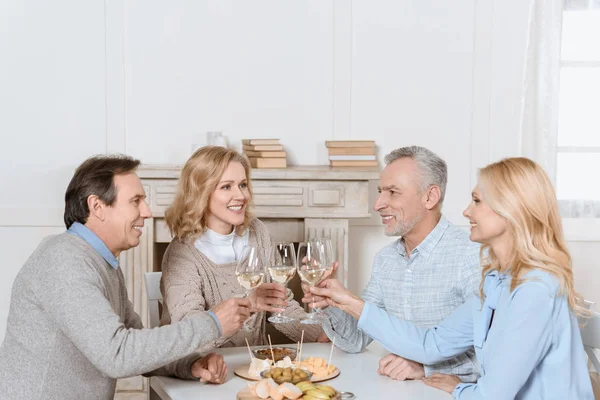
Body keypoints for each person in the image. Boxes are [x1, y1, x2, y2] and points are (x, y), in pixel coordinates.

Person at [307, 157, 594, 399]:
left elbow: (493, 395)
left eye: (477, 201)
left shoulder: (536, 288)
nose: (466, 211)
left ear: (511, 211)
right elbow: (433, 344)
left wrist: (460, 389)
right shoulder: (496, 280)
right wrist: (346, 301)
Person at [0, 155, 252, 400]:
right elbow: (119, 354)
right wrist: (213, 323)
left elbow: (137, 344)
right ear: (97, 206)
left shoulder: (99, 261)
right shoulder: (64, 260)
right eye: (136, 201)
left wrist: (191, 365)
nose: (147, 212)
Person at [303, 146, 481, 382]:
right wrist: (331, 301)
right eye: (380, 192)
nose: (377, 204)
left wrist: (426, 368)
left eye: (393, 192)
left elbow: (496, 354)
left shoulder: (471, 256)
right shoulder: (386, 260)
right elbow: (356, 340)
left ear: (430, 197)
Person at [160, 146, 325, 348]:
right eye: (226, 186)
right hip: (203, 370)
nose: (241, 196)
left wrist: (319, 334)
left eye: (243, 185)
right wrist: (249, 304)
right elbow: (190, 336)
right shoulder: (182, 254)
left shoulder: (257, 232)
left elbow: (280, 303)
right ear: (201, 192)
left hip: (254, 365)